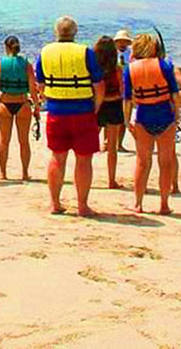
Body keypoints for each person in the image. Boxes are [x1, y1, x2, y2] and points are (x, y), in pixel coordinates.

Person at [36, 16, 103, 216]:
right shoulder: (86, 52)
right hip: (83, 110)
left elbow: (40, 85)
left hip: (56, 111)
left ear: (56, 32)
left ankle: (55, 203)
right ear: (75, 32)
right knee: (84, 159)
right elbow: (98, 85)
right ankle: (82, 205)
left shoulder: (45, 52)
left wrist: (47, 100)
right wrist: (96, 107)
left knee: (57, 157)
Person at [124, 34, 181, 214]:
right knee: (165, 163)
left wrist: (127, 122)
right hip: (165, 117)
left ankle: (138, 203)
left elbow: (127, 100)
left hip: (144, 117)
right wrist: (178, 115)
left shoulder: (130, 70)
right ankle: (164, 204)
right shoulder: (164, 65)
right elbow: (174, 94)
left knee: (143, 162)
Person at [0, 36, 40, 180]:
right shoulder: (27, 64)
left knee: (4, 140)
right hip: (23, 104)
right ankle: (25, 173)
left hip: (5, 104)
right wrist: (36, 106)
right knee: (24, 141)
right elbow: (32, 89)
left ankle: (3, 173)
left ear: (6, 47)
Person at [95, 36, 126, 189]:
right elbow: (122, 91)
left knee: (87, 143)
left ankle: (82, 173)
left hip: (97, 106)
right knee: (112, 146)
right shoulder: (117, 69)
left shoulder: (93, 68)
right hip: (113, 106)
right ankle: (111, 180)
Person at [113, 30, 134, 152]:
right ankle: (107, 142)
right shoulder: (111, 54)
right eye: (120, 41)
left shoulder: (131, 54)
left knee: (125, 117)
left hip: (127, 88)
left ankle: (119, 144)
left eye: (125, 42)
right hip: (114, 89)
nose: (122, 44)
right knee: (111, 118)